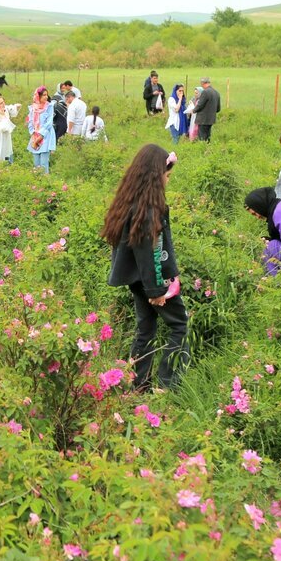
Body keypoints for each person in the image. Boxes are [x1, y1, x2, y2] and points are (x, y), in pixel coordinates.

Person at [103, 145, 187, 393]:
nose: (167, 181)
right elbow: (147, 253)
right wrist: (156, 289)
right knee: (179, 325)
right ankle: (167, 385)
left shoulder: (131, 200)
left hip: (138, 280)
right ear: (155, 175)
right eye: (167, 176)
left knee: (146, 328)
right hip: (153, 280)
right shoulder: (149, 209)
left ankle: (137, 384)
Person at [25, 86, 56, 174]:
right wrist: (33, 134)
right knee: (36, 163)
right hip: (35, 136)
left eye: (47, 95)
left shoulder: (49, 107)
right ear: (38, 96)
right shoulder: (33, 108)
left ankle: (45, 182)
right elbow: (30, 122)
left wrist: (40, 136)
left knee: (43, 163)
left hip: (45, 136)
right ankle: (37, 182)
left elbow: (49, 123)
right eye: (44, 95)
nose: (46, 97)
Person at [191, 77, 220, 142]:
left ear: (203, 83)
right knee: (207, 137)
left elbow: (200, 105)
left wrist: (194, 110)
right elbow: (218, 108)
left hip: (203, 119)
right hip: (211, 119)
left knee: (202, 138)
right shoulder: (216, 93)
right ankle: (207, 150)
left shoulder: (205, 92)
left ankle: (202, 150)